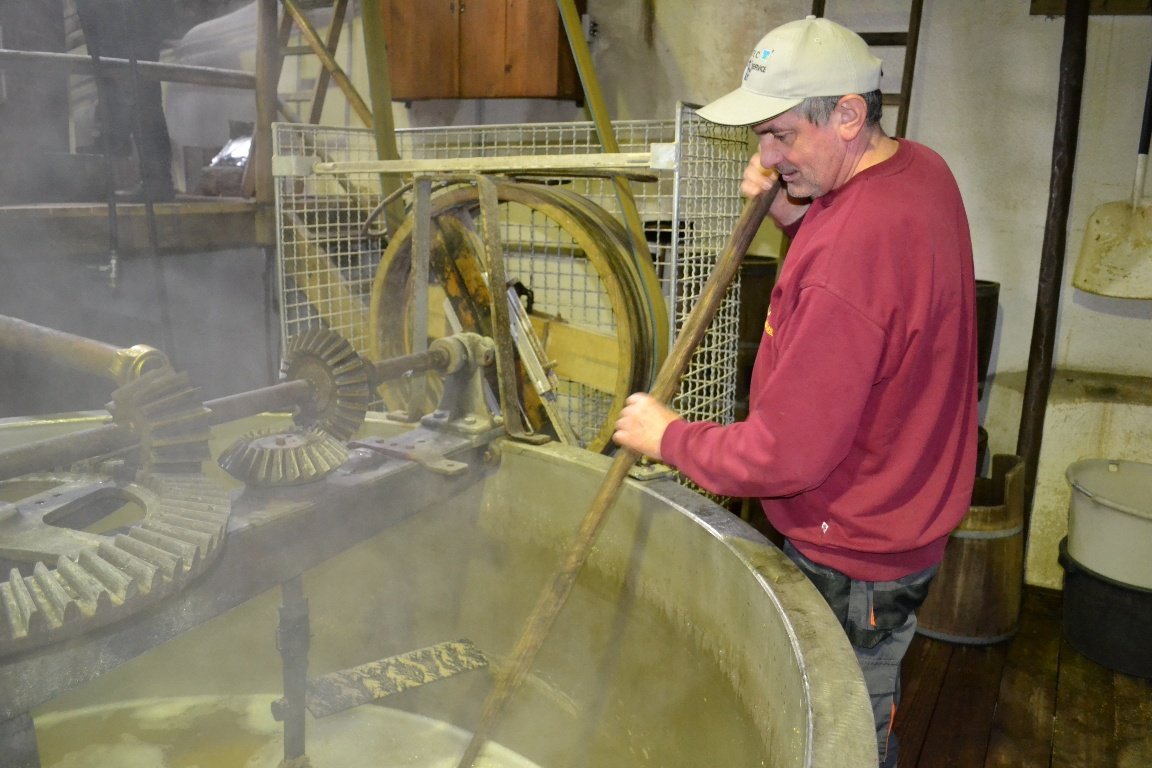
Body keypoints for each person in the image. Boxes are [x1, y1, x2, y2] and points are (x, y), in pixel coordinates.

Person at [612, 15, 978, 768]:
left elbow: (785, 456)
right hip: (901, 501)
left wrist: (668, 436)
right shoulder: (917, 171)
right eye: (761, 138)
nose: (766, 156)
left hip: (855, 547)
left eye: (782, 135)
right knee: (862, 698)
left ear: (847, 114)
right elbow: (861, 283)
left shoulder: (852, 252)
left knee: (844, 724)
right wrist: (790, 211)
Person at [75, 0, 177, 201]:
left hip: (128, 16)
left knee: (141, 94)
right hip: (108, 17)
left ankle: (157, 181)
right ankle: (143, 177)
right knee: (115, 86)